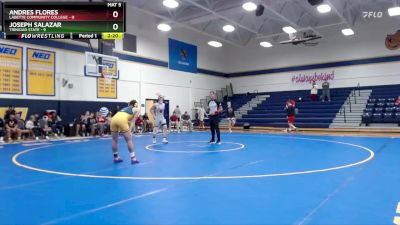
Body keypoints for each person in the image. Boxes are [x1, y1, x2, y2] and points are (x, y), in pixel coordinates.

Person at [110, 100, 140, 164]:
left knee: (114, 140)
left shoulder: (124, 108)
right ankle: (133, 159)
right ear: (135, 104)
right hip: (122, 120)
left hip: (113, 119)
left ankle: (116, 158)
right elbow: (133, 121)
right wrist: (130, 130)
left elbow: (127, 118)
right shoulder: (137, 109)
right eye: (137, 104)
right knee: (129, 140)